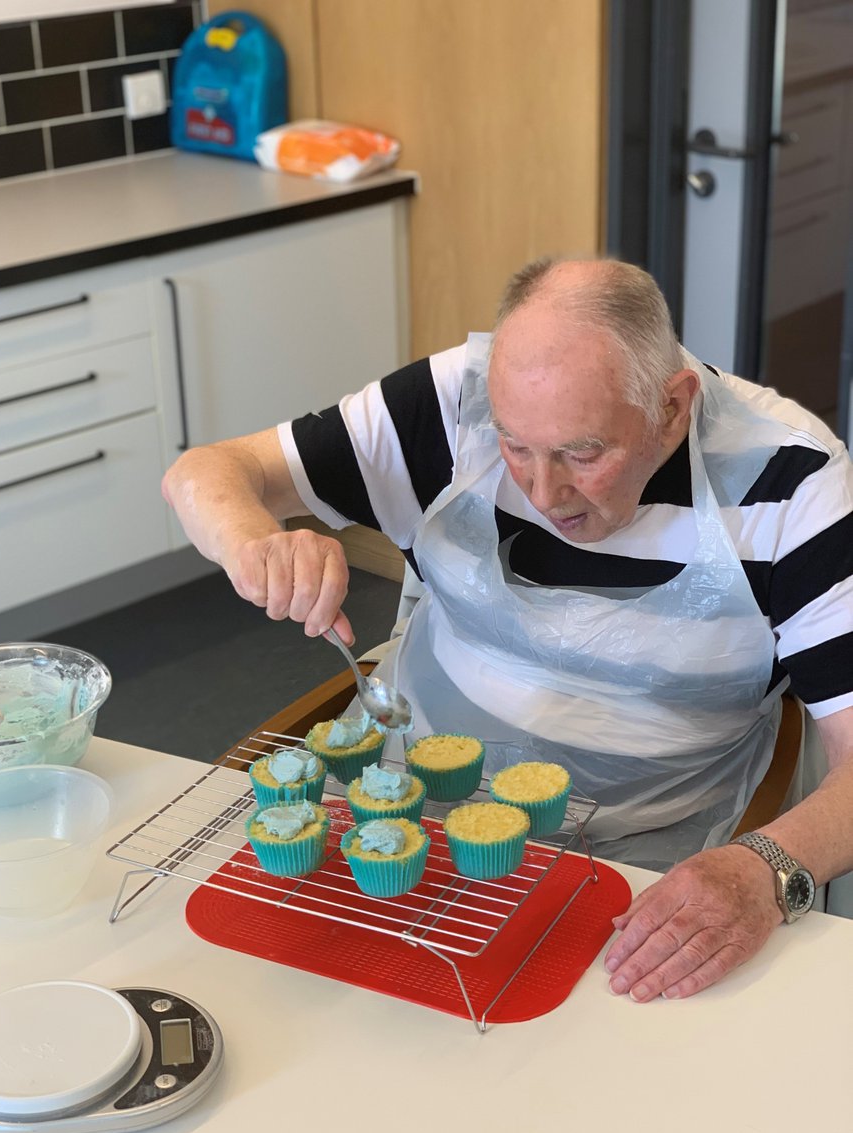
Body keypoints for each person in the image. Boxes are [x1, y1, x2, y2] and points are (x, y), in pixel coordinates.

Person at [162, 257, 853, 1002]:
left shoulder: (792, 483)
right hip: (411, 809)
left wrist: (764, 867)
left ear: (673, 407)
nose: (544, 490)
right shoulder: (454, 399)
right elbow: (205, 472)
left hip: (646, 852)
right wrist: (255, 542)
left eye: (583, 453)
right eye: (515, 445)